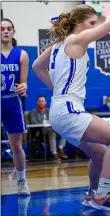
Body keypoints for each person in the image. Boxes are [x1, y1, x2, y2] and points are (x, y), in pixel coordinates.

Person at [32, 5, 110, 213]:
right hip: (68, 109)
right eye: (91, 23)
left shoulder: (58, 44)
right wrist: (109, 14)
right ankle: (103, 195)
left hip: (60, 108)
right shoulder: (76, 39)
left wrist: (55, 89)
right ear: (78, 23)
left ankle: (92, 194)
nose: (93, 27)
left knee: (100, 155)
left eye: (95, 24)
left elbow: (37, 66)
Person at [1, 18, 30, 196]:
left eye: (9, 28)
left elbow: (24, 81)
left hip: (12, 101)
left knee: (16, 145)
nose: (5, 31)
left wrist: (24, 85)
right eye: (2, 28)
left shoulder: (22, 55)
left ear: (13, 31)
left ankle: (21, 180)